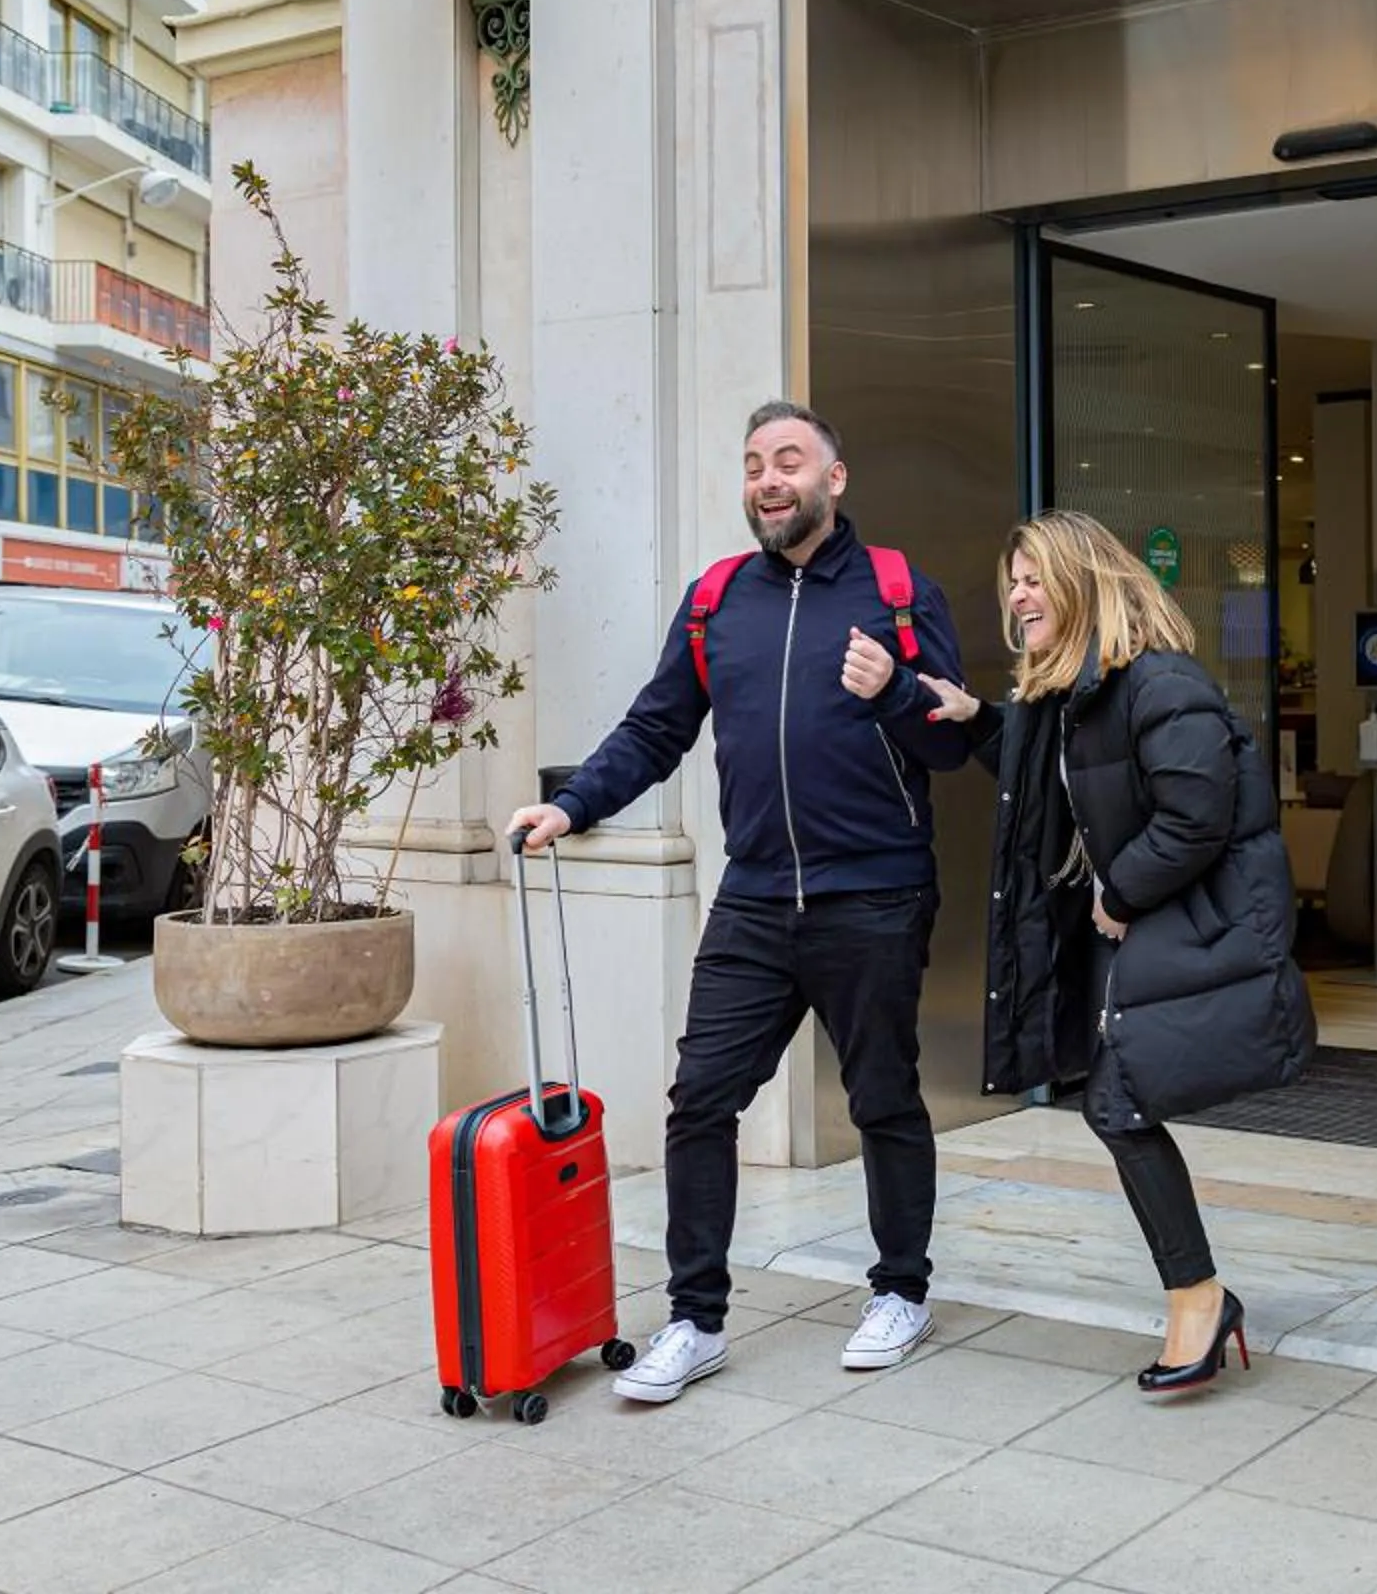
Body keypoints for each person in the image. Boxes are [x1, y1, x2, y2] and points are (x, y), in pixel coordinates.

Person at [509, 400, 972, 1405]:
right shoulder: (718, 599)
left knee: (883, 1098)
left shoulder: (897, 589)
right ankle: (695, 1316)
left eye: (790, 460)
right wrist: (572, 802)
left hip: (876, 893)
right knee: (700, 1101)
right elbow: (656, 726)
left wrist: (896, 687)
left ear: (833, 478)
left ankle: (901, 1289)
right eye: (755, 461)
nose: (769, 478)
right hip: (755, 898)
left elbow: (953, 740)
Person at [915, 509, 1314, 1393]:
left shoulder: (1159, 684)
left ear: (1083, 583)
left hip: (1173, 925)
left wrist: (1121, 891)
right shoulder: (1075, 697)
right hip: (1129, 934)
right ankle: (1200, 1295)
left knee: (1118, 1105)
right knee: (1116, 1106)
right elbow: (1050, 783)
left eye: (1032, 576)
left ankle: (1200, 1299)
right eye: (1010, 579)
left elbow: (1197, 815)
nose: (1016, 593)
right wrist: (979, 715)